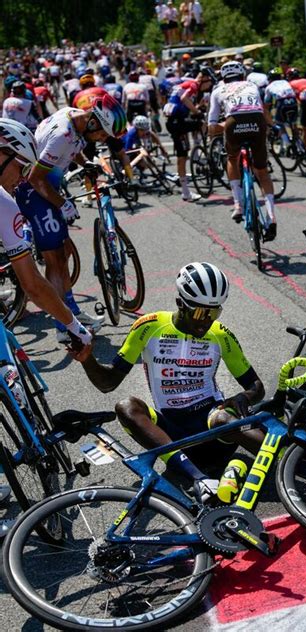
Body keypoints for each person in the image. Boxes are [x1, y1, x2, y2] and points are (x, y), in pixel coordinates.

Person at [72, 262, 265, 502]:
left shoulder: (220, 335)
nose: (206, 321)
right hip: (170, 434)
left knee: (223, 417)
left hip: (215, 428)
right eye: (199, 312)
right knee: (126, 406)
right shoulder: (149, 327)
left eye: (213, 313)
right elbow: (108, 383)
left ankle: (302, 466)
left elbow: (256, 387)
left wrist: (241, 398)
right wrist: (87, 360)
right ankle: (198, 479)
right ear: (180, 304)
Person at [0, 118, 92, 536]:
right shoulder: (4, 202)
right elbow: (34, 286)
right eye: (19, 165)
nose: (23, 176)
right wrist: (73, 324)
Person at [15, 95, 127, 343]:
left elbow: (74, 147)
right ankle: (63, 326)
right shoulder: (61, 135)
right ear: (93, 122)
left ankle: (71, 313)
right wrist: (63, 204)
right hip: (34, 192)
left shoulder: (73, 115)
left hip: (46, 189)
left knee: (64, 254)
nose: (103, 140)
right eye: (102, 134)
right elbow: (36, 179)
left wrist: (85, 162)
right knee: (55, 260)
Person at [208, 61, 277, 239]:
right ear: (242, 75)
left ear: (223, 77)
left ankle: (238, 204)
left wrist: (221, 128)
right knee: (262, 171)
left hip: (234, 123)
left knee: (232, 159)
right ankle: (272, 218)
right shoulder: (252, 85)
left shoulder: (218, 90)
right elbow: (262, 109)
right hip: (257, 121)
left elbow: (212, 124)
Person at [164, 68, 214, 202]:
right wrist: (197, 111)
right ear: (204, 80)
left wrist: (197, 107)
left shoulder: (189, 85)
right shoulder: (194, 84)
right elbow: (184, 98)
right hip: (177, 122)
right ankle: (206, 145)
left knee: (183, 156)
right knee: (202, 123)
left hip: (175, 120)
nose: (209, 87)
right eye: (209, 83)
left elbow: (184, 103)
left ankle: (200, 147)